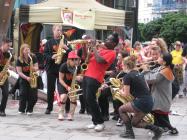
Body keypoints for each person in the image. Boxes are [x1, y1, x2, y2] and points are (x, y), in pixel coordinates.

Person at [118, 55, 163, 140]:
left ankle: (129, 133)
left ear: (127, 66)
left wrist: (120, 91)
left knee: (121, 109)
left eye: (122, 65)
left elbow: (126, 94)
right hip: (149, 101)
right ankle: (157, 130)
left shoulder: (127, 76)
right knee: (135, 123)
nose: (122, 67)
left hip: (141, 102)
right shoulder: (140, 74)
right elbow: (146, 88)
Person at [83, 32, 119, 132]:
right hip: (87, 75)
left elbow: (99, 60)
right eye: (106, 38)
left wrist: (94, 47)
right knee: (87, 99)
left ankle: (100, 122)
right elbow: (85, 59)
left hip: (95, 77)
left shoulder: (112, 53)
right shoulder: (101, 49)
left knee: (91, 99)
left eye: (109, 40)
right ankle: (95, 121)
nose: (106, 40)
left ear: (114, 44)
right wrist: (84, 46)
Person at [44, 24, 72, 114]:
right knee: (50, 89)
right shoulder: (49, 42)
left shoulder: (65, 41)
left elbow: (71, 54)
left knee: (65, 88)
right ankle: (49, 107)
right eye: (57, 30)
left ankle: (67, 108)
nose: (59, 32)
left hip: (62, 68)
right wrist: (52, 56)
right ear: (53, 31)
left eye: (60, 30)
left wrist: (66, 47)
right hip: (51, 68)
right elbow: (44, 55)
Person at [148, 53, 179, 135]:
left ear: (164, 62)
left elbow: (151, 79)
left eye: (160, 57)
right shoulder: (163, 68)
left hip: (161, 98)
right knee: (158, 115)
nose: (158, 58)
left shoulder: (165, 71)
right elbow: (153, 73)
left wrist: (144, 70)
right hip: (159, 97)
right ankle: (164, 129)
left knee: (158, 115)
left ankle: (171, 129)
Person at [58, 51, 82, 121]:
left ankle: (71, 115)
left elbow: (81, 77)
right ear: (68, 59)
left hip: (73, 85)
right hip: (63, 83)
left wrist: (79, 77)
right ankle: (60, 113)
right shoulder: (63, 66)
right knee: (63, 97)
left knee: (73, 98)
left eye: (76, 59)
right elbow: (60, 79)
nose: (75, 61)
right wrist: (66, 87)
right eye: (72, 59)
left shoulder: (78, 67)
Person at [16, 44, 38, 115]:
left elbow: (37, 67)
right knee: (23, 94)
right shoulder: (19, 59)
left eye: (28, 49)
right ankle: (21, 109)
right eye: (26, 50)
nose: (28, 51)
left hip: (32, 77)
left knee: (34, 96)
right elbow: (19, 72)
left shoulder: (33, 57)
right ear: (22, 51)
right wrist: (26, 78)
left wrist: (34, 68)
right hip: (24, 78)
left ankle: (30, 109)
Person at [0, 38, 13, 116]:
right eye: (8, 46)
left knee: (6, 93)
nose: (9, 48)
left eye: (10, 46)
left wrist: (10, 66)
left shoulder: (8, 54)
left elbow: (9, 63)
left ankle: (2, 110)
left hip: (4, 75)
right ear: (3, 43)